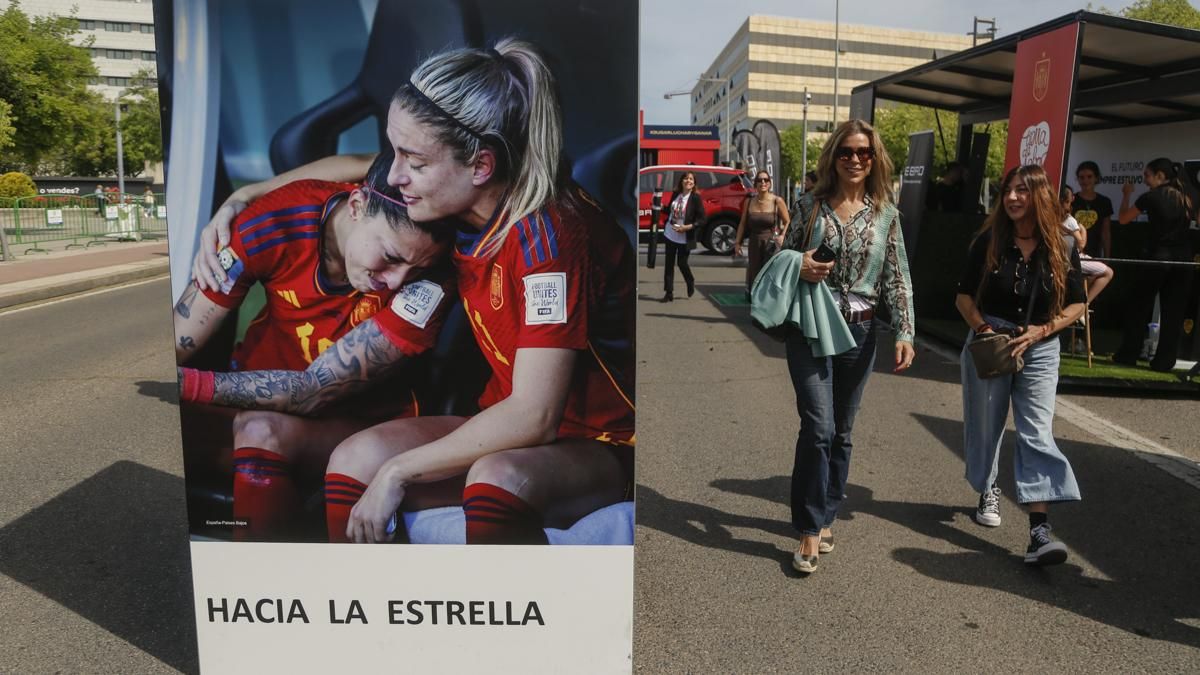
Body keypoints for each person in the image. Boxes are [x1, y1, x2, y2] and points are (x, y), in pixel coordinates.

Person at [187, 38, 635, 545]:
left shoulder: (549, 238)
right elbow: (358, 167)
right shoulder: (450, 195)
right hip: (498, 420)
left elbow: (534, 416)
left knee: (497, 479)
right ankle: (361, 611)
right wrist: (244, 196)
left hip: (597, 439)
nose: (395, 172)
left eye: (413, 160)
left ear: (481, 166)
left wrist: (397, 472)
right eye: (395, 150)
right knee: (355, 459)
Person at [175, 153, 454, 541]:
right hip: (251, 401)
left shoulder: (432, 280)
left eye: (415, 269)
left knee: (260, 430)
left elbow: (312, 391)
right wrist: (249, 195)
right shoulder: (279, 218)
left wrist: (184, 383)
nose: (396, 281)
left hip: (357, 424)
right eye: (390, 257)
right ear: (356, 205)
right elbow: (181, 335)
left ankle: (268, 590)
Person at [779, 119, 915, 575]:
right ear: (833, 157)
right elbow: (783, 255)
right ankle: (810, 529)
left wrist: (905, 332)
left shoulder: (886, 214)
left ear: (875, 159)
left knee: (842, 431)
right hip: (812, 328)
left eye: (864, 153)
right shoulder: (809, 205)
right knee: (817, 427)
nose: (855, 159)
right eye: (846, 152)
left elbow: (897, 277)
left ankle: (827, 511)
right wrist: (800, 263)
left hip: (859, 333)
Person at [955, 164, 1086, 566]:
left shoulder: (1062, 245)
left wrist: (1043, 330)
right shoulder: (988, 240)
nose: (1012, 197)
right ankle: (989, 488)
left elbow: (1078, 303)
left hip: (1041, 346)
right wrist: (982, 328)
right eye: (1008, 190)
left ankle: (1039, 531)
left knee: (1036, 433)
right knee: (987, 425)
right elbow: (962, 297)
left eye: (1021, 191)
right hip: (992, 342)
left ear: (1040, 196)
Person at [1113, 157, 1197, 371]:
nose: (1145, 179)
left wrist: (1126, 195)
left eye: (1147, 175)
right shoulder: (1189, 197)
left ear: (1160, 175)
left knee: (1139, 306)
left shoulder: (1150, 197)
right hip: (1183, 261)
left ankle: (1129, 354)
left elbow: (1123, 219)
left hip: (1156, 258)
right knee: (1174, 312)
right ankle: (1165, 361)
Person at [734, 169, 789, 295]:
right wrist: (737, 243)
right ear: (755, 184)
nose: (763, 182)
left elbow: (788, 222)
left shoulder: (777, 201)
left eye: (766, 180)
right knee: (755, 273)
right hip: (754, 242)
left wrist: (782, 236)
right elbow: (742, 223)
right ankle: (756, 304)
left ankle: (769, 305)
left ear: (769, 183)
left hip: (771, 243)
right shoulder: (749, 201)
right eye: (759, 180)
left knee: (770, 273)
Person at [1059, 186, 1113, 305]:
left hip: (1061, 259)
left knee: (1092, 272)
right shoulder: (1069, 220)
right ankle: (1083, 304)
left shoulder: (1049, 217)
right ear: (1067, 201)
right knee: (1108, 272)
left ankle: (1078, 300)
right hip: (1071, 259)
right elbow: (1081, 244)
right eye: (1069, 200)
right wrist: (1083, 230)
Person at [660, 171, 704, 302]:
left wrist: (687, 227)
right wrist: (662, 207)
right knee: (669, 264)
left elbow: (702, 219)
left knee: (682, 263)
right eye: (686, 178)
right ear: (681, 181)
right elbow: (670, 211)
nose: (688, 181)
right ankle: (669, 293)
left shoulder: (695, 198)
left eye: (691, 179)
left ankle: (690, 280)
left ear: (694, 183)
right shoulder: (676, 194)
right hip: (670, 233)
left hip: (685, 236)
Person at [1071, 161, 1113, 258]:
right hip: (1073, 251)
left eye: (1089, 177)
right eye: (1082, 177)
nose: (1085, 181)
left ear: (1096, 178)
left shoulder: (1104, 202)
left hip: (1095, 252)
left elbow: (1106, 232)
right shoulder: (1071, 200)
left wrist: (1107, 257)